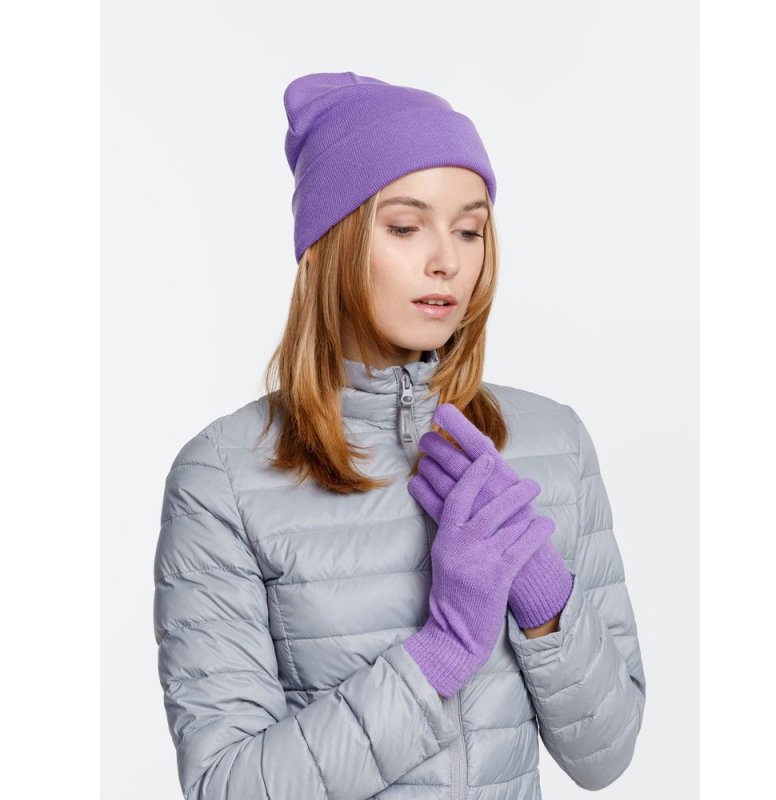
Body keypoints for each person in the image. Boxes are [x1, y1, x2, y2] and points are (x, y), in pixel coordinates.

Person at [152, 71, 646, 799]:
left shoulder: (554, 442)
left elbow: (606, 756)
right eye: (406, 227)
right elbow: (227, 786)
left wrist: (542, 593)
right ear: (326, 244)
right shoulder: (223, 477)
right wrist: (443, 649)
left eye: (470, 230)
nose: (447, 259)